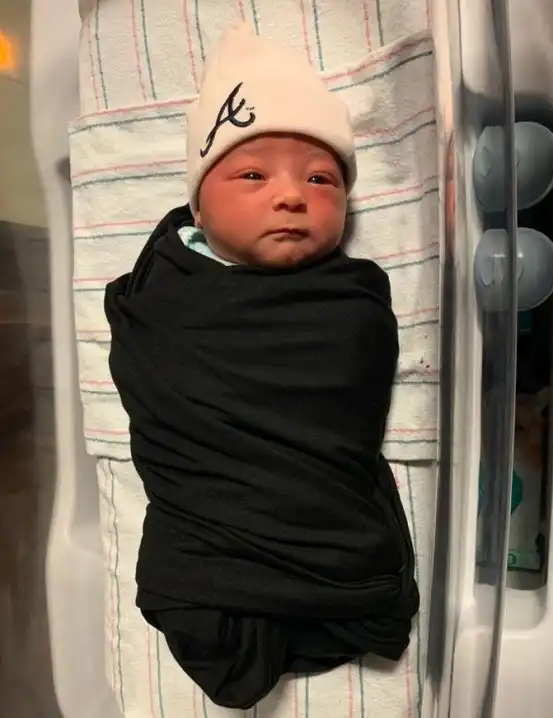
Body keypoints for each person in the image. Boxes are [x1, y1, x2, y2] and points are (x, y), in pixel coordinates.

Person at [105, 20, 419, 711]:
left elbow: (350, 384)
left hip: (331, 552)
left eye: (321, 178)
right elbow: (151, 374)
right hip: (202, 547)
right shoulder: (161, 300)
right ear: (197, 202)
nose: (292, 195)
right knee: (203, 617)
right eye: (253, 174)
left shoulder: (349, 301)